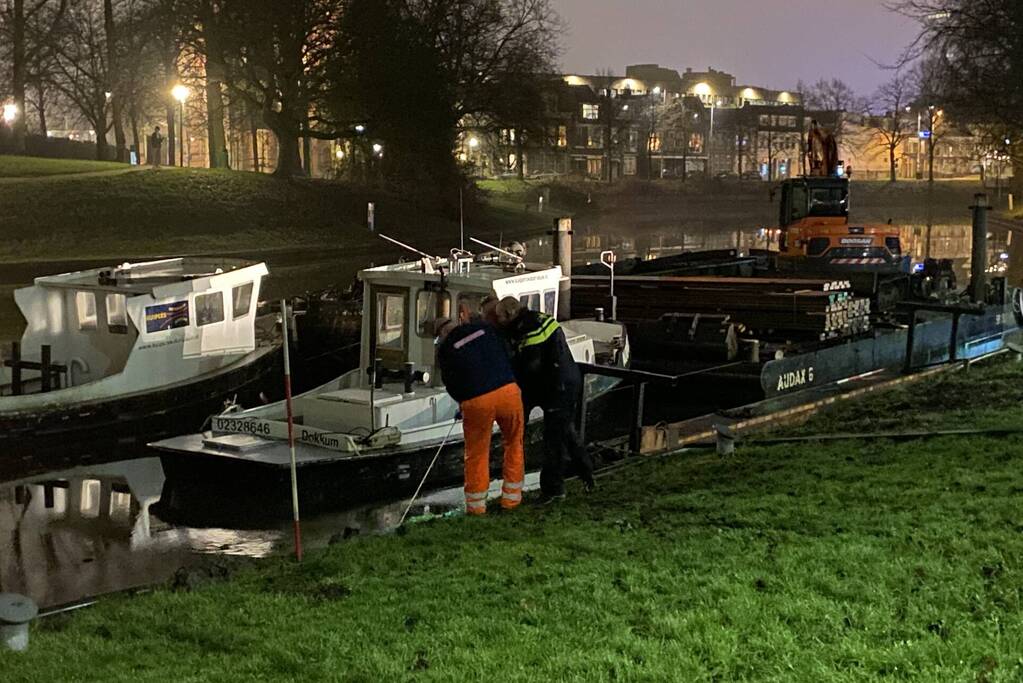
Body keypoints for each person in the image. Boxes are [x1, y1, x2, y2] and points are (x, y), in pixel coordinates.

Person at [488, 296, 595, 504]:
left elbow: (529, 367)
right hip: (551, 383)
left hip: (557, 387)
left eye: (499, 317)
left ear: (510, 315)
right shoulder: (530, 322)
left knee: (553, 440)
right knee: (566, 432)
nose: (497, 320)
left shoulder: (531, 329)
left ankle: (553, 490)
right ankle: (586, 473)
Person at [435, 318, 524, 515]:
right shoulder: (484, 328)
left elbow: (451, 382)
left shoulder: (446, 348)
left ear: (441, 334)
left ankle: (476, 508)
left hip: (476, 401)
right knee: (514, 443)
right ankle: (512, 499)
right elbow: (507, 352)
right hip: (508, 391)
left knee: (477, 452)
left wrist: (463, 402)